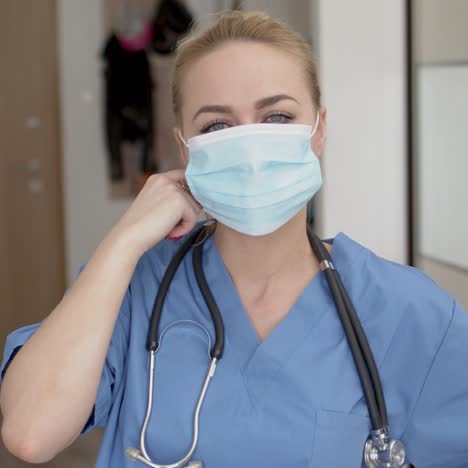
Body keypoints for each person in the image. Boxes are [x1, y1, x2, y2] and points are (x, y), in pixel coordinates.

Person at [1, 10, 468, 468]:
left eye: (277, 115)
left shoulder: (412, 313)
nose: (249, 149)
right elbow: (29, 433)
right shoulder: (130, 289)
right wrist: (124, 239)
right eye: (217, 127)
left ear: (319, 130)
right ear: (185, 148)